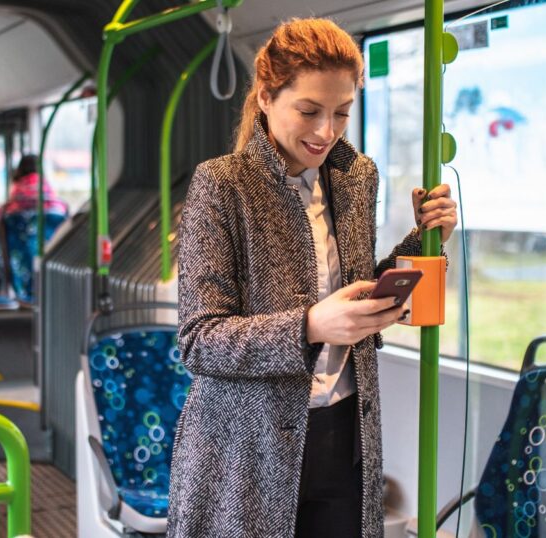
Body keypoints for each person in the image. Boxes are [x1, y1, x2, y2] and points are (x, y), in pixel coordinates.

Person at [167, 18, 457, 538]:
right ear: (265, 98)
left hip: (347, 435)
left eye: (342, 113)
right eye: (309, 111)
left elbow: (357, 289)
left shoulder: (356, 177)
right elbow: (199, 341)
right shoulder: (222, 185)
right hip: (246, 450)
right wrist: (310, 326)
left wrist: (423, 241)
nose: (326, 131)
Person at [0, 154, 65, 215]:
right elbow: (52, 198)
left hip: (20, 220)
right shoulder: (43, 182)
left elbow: (12, 203)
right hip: (44, 218)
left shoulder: (18, 184)